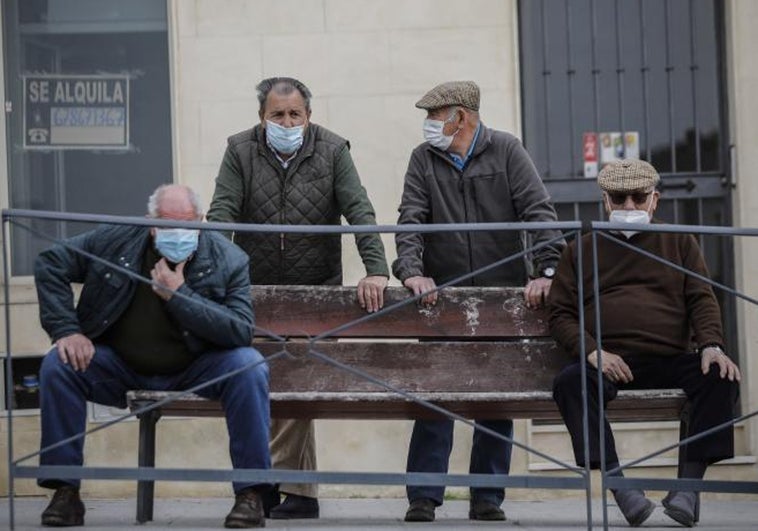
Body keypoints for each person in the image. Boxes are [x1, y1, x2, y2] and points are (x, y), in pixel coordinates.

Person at [34, 184, 271, 529]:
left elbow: (240, 331)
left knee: (249, 366)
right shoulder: (115, 241)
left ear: (202, 221)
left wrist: (179, 296)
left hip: (197, 368)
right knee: (58, 365)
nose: (178, 232)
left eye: (187, 224)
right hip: (119, 365)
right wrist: (66, 330)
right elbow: (51, 262)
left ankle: (251, 495)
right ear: (150, 222)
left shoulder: (228, 258)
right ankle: (64, 492)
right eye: (167, 223)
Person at [207, 76, 390, 519]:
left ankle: (270, 485)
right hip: (257, 293)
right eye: (277, 115)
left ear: (309, 116)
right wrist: (210, 274)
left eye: (295, 115)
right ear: (261, 117)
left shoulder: (332, 150)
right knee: (260, 384)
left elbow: (359, 209)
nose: (286, 122)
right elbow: (221, 214)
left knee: (291, 381)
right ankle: (291, 490)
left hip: (316, 294)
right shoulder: (240, 149)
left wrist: (377, 270)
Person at [393, 80, 565, 522]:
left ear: (461, 117)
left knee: (496, 401)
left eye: (435, 116)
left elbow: (539, 211)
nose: (429, 125)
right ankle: (423, 497)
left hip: (502, 298)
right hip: (441, 301)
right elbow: (410, 218)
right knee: (436, 396)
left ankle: (487, 496)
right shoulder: (422, 158)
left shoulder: (507, 150)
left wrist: (547, 272)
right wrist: (411, 271)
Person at [548, 159, 741, 527]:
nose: (630, 207)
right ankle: (621, 488)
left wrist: (711, 345)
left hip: (670, 357)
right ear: (606, 201)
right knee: (570, 383)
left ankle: (687, 488)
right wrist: (593, 351)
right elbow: (560, 314)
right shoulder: (580, 248)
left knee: (721, 375)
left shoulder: (680, 239)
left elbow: (701, 297)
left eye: (639, 198)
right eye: (620, 198)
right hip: (610, 362)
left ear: (655, 200)